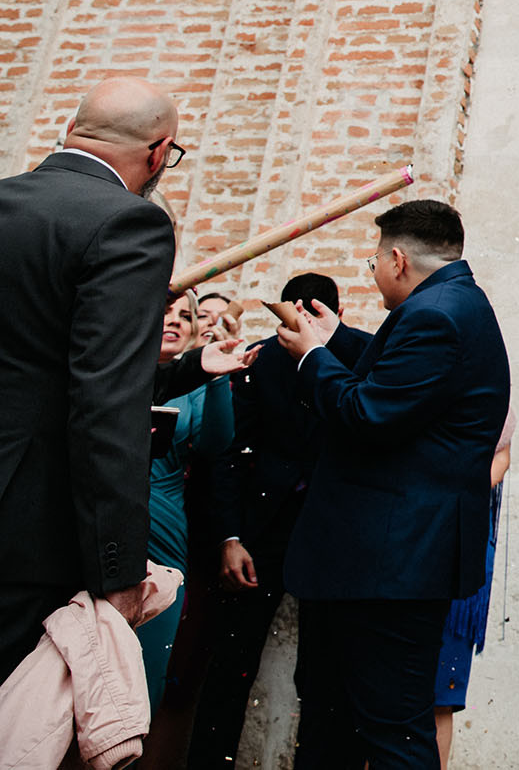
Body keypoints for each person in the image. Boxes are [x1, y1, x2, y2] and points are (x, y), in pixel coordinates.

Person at [274, 199, 510, 770]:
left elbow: (370, 413)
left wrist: (311, 358)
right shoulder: (451, 305)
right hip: (381, 564)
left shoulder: (436, 317)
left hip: (389, 566)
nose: (374, 270)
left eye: (375, 260)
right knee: (336, 723)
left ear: (398, 259)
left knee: (392, 733)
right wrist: (336, 338)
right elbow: (404, 379)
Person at [0, 77, 183, 681]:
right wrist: (119, 568)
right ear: (159, 153)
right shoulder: (129, 223)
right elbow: (107, 402)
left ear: (72, 129)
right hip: (27, 531)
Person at [184, 274, 340, 770]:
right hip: (259, 534)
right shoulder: (258, 360)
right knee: (231, 665)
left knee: (323, 674)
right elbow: (227, 452)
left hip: (328, 540)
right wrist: (230, 537)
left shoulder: (356, 358)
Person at [136, 299, 235, 706]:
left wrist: (216, 378)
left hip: (164, 524)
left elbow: (215, 444)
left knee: (146, 668)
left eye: (185, 317)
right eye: (166, 313)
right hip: (105, 517)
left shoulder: (193, 386)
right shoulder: (117, 369)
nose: (175, 322)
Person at [433, 406, 513, 767]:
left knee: (439, 699)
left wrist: (448, 498)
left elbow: (502, 459)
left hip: (458, 548)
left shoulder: (490, 393)